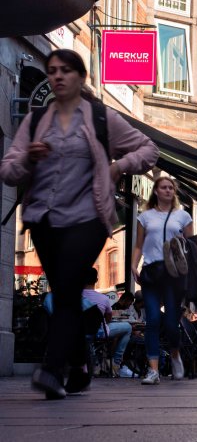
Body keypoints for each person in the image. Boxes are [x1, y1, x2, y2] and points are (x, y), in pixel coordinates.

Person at [0, 49, 158, 399]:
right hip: (44, 219)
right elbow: (8, 171)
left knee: (69, 288)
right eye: (52, 71)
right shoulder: (36, 120)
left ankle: (52, 370)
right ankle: (81, 366)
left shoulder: (102, 118)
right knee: (66, 294)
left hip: (89, 217)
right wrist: (28, 155)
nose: (57, 76)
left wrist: (119, 166)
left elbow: (148, 150)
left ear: (80, 77)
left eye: (65, 71)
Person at [130, 176, 193, 385]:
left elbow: (192, 247)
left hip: (174, 275)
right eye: (164, 187)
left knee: (171, 323)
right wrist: (133, 264)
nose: (168, 191)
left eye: (171, 188)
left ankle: (175, 355)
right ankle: (153, 370)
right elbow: (139, 245)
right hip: (151, 271)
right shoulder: (145, 217)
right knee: (153, 320)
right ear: (155, 191)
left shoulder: (183, 217)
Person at [82, 267, 134, 378]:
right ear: (96, 280)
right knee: (128, 328)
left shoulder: (73, 298)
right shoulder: (103, 299)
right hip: (99, 332)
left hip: (79, 333)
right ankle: (116, 363)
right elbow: (108, 318)